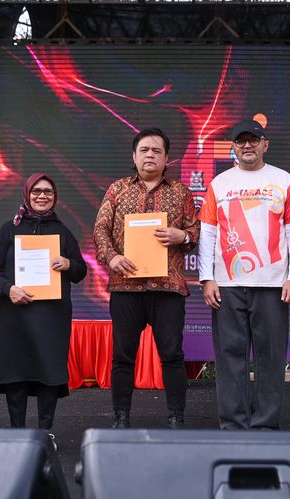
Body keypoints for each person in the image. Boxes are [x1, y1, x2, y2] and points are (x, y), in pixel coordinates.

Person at [198, 119, 290, 430]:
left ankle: (265, 426)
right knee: (229, 356)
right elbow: (207, 233)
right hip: (228, 285)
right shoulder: (219, 183)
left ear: (265, 144)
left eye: (254, 140)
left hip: (272, 285)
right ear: (233, 147)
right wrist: (207, 278)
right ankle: (233, 425)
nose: (247, 145)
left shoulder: (283, 180)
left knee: (270, 357)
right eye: (241, 141)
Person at [93, 128, 199, 429]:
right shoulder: (117, 189)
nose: (150, 155)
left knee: (172, 355)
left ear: (166, 158)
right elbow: (100, 229)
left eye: (156, 150)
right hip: (126, 286)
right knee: (123, 356)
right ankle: (121, 417)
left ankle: (177, 418)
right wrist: (112, 257)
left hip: (168, 288)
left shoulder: (181, 192)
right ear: (134, 156)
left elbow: (196, 231)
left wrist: (182, 236)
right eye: (144, 150)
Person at [0, 173, 87, 446]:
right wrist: (8, 289)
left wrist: (69, 264)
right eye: (37, 191)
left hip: (52, 317)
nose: (42, 196)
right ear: (27, 194)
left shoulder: (62, 232)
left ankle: (45, 432)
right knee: (16, 374)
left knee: (48, 373)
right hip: (14, 315)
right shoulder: (8, 230)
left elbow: (80, 271)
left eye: (48, 192)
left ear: (55, 197)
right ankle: (16, 432)